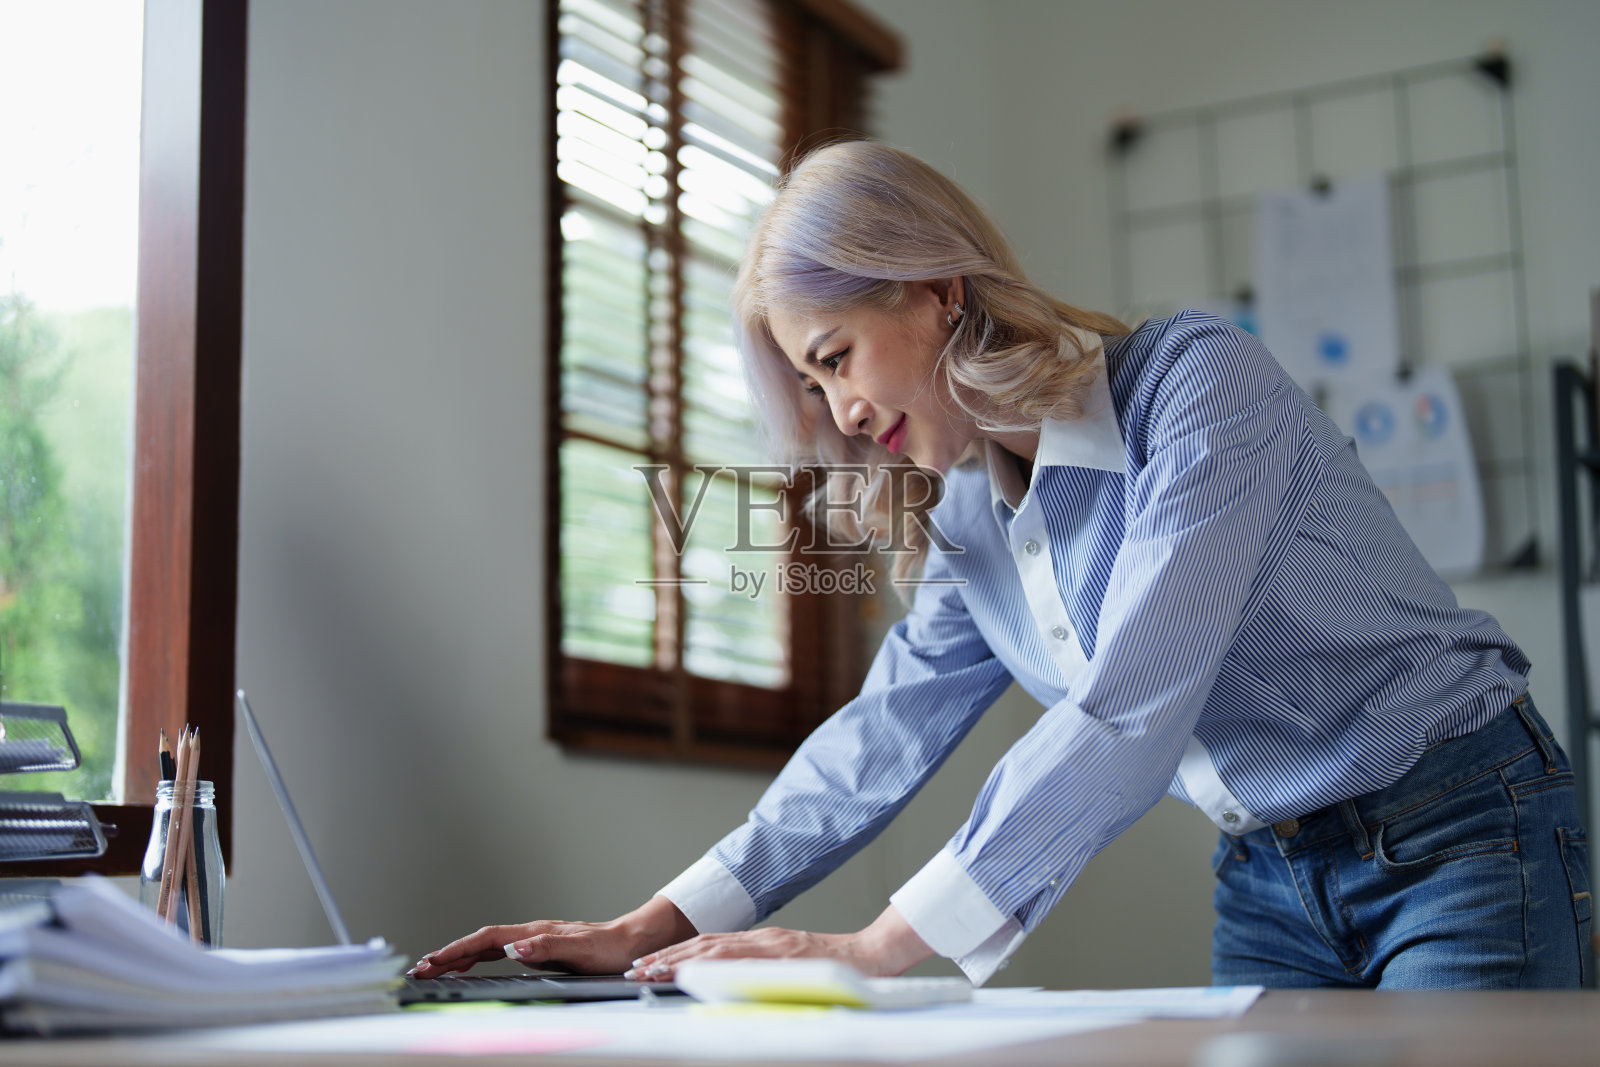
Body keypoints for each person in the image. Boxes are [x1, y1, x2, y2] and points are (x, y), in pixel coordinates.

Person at [411, 141, 1591, 989]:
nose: (838, 407)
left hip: (1459, 830)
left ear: (933, 288)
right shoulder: (968, 508)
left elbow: (1129, 702)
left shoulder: (1199, 387)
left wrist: (879, 943)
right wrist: (649, 922)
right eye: (811, 386)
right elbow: (878, 738)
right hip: (1268, 872)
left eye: (836, 357)